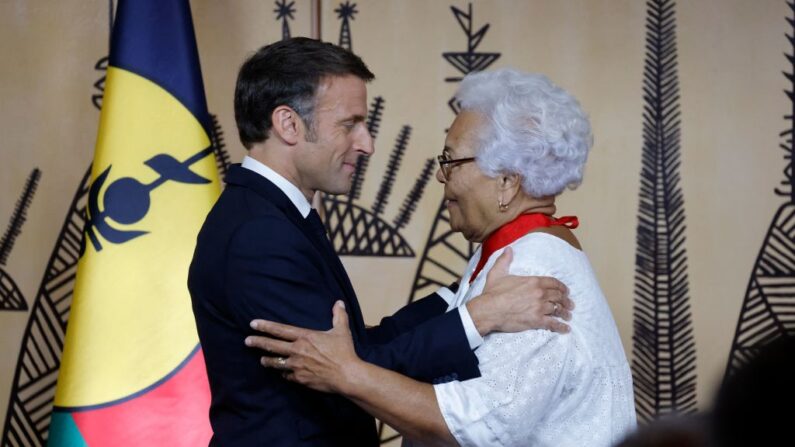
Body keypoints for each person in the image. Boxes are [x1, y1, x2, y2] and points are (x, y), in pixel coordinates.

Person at [188, 39, 574, 446]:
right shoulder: (258, 234)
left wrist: (465, 293)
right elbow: (347, 370)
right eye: (349, 124)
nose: (367, 143)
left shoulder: (269, 216)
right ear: (288, 124)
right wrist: (479, 316)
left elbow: (354, 348)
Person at [246, 68, 637, 446]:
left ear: (506, 182)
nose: (440, 176)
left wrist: (347, 373)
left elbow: (477, 428)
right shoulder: (511, 252)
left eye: (451, 161)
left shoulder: (531, 269)